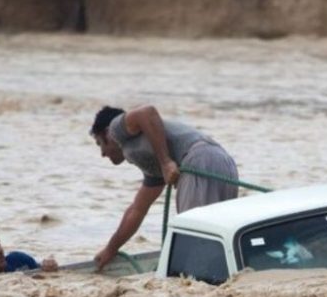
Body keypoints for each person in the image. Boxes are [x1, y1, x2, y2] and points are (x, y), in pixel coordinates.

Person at [89, 104, 238, 271]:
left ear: (107, 133)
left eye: (99, 143)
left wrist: (166, 162)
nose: (102, 153)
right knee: (216, 235)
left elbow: (147, 112)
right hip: (223, 164)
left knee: (193, 234)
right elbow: (137, 210)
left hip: (199, 159)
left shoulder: (117, 128)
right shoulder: (152, 165)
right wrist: (111, 249)